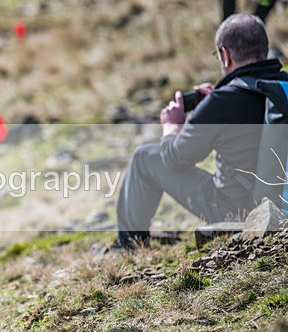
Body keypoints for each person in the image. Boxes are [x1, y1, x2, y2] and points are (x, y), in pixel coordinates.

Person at [116, 13, 288, 248]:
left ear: (226, 55)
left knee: (144, 157)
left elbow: (176, 158)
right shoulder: (282, 88)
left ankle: (129, 247)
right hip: (280, 202)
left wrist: (172, 128)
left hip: (236, 210)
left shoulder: (221, 102)